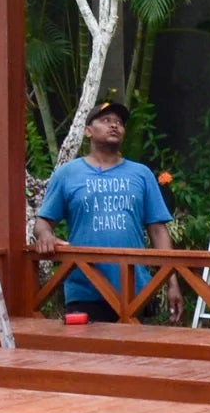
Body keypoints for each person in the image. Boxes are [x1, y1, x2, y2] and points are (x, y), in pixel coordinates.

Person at [34, 100, 174, 322]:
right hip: (85, 289)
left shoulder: (142, 174)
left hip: (136, 289)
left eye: (119, 122)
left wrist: (171, 282)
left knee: (137, 356)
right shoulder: (68, 174)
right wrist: (45, 236)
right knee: (87, 356)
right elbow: (43, 222)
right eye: (106, 120)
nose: (114, 125)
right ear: (88, 131)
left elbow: (158, 230)